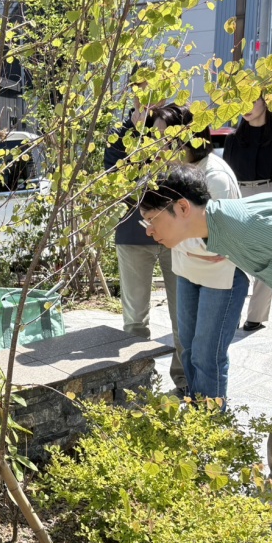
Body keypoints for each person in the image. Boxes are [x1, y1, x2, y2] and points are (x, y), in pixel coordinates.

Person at [138, 163, 272, 543]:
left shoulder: (248, 226)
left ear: (182, 208)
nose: (149, 231)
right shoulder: (222, 227)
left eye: (151, 220)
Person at [150, 104, 248, 402]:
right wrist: (183, 239)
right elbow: (177, 232)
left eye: (166, 138)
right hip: (187, 271)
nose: (158, 146)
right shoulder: (171, 172)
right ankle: (196, 413)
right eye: (155, 137)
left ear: (189, 136)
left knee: (207, 355)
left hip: (221, 278)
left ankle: (210, 423)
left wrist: (176, 238)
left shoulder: (215, 175)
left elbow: (217, 242)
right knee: (188, 349)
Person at [104, 62, 187, 395]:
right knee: (135, 318)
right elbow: (116, 180)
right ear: (132, 90)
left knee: (183, 313)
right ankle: (137, 385)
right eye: (140, 86)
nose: (147, 94)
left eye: (153, 86)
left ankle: (184, 381)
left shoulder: (176, 126)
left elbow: (182, 175)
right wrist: (136, 137)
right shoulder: (121, 132)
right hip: (133, 232)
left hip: (176, 233)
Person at [223, 97, 272, 332]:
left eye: (252, 100)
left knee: (267, 257)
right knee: (233, 255)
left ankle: (255, 316)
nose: (246, 106)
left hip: (271, 191)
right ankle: (229, 313)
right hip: (239, 194)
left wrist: (268, 186)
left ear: (267, 102)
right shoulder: (234, 138)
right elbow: (228, 168)